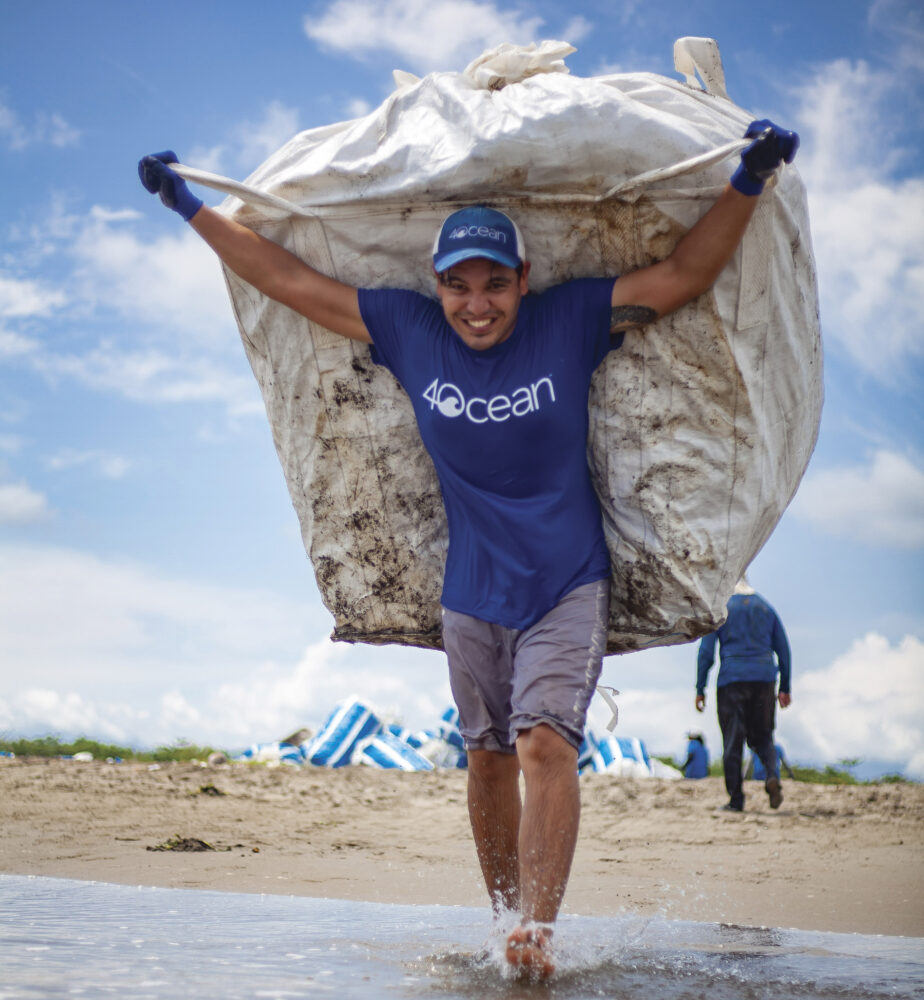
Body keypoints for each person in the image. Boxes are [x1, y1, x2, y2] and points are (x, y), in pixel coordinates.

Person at [139, 119, 798, 978]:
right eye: (459, 284)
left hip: (567, 581)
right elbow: (285, 278)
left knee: (544, 745)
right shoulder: (410, 331)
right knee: (486, 760)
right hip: (471, 593)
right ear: (437, 285)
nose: (477, 302)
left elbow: (682, 275)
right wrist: (184, 202)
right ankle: (502, 929)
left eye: (495, 282)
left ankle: (540, 929)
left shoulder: (567, 321)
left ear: (524, 280)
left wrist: (749, 175)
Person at [695, 578, 792, 813]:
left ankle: (736, 800)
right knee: (764, 736)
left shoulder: (722, 608)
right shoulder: (766, 607)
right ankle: (771, 775)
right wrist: (785, 687)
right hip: (764, 678)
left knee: (732, 740)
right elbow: (784, 650)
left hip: (732, 680)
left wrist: (700, 688)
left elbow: (706, 652)